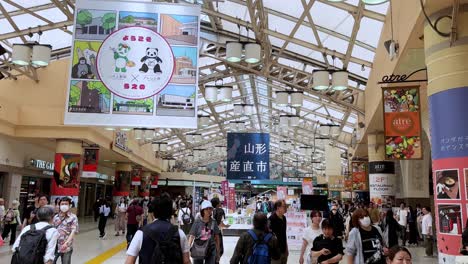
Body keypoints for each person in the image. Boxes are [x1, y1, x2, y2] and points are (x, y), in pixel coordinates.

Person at [125, 194, 190, 264]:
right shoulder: (179, 233)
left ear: (153, 213)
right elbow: (186, 261)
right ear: (170, 213)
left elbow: (129, 262)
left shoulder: (141, 233)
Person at [53, 197, 79, 264]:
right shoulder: (56, 217)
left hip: (66, 246)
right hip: (54, 245)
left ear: (69, 205)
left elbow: (74, 231)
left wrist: (66, 243)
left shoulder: (73, 217)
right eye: (62, 204)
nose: (64, 205)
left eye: (66, 204)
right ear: (59, 205)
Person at [269, 200, 288, 264]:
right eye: (284, 206)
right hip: (275, 252)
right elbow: (268, 237)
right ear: (278, 208)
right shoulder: (271, 219)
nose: (286, 208)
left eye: (286, 206)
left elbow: (284, 234)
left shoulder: (284, 218)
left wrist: (286, 248)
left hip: (284, 250)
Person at [211, 197, 229, 263]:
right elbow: (221, 223)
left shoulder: (209, 210)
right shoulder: (220, 211)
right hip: (217, 233)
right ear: (218, 203)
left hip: (209, 232)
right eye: (219, 202)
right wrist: (227, 226)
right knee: (219, 249)